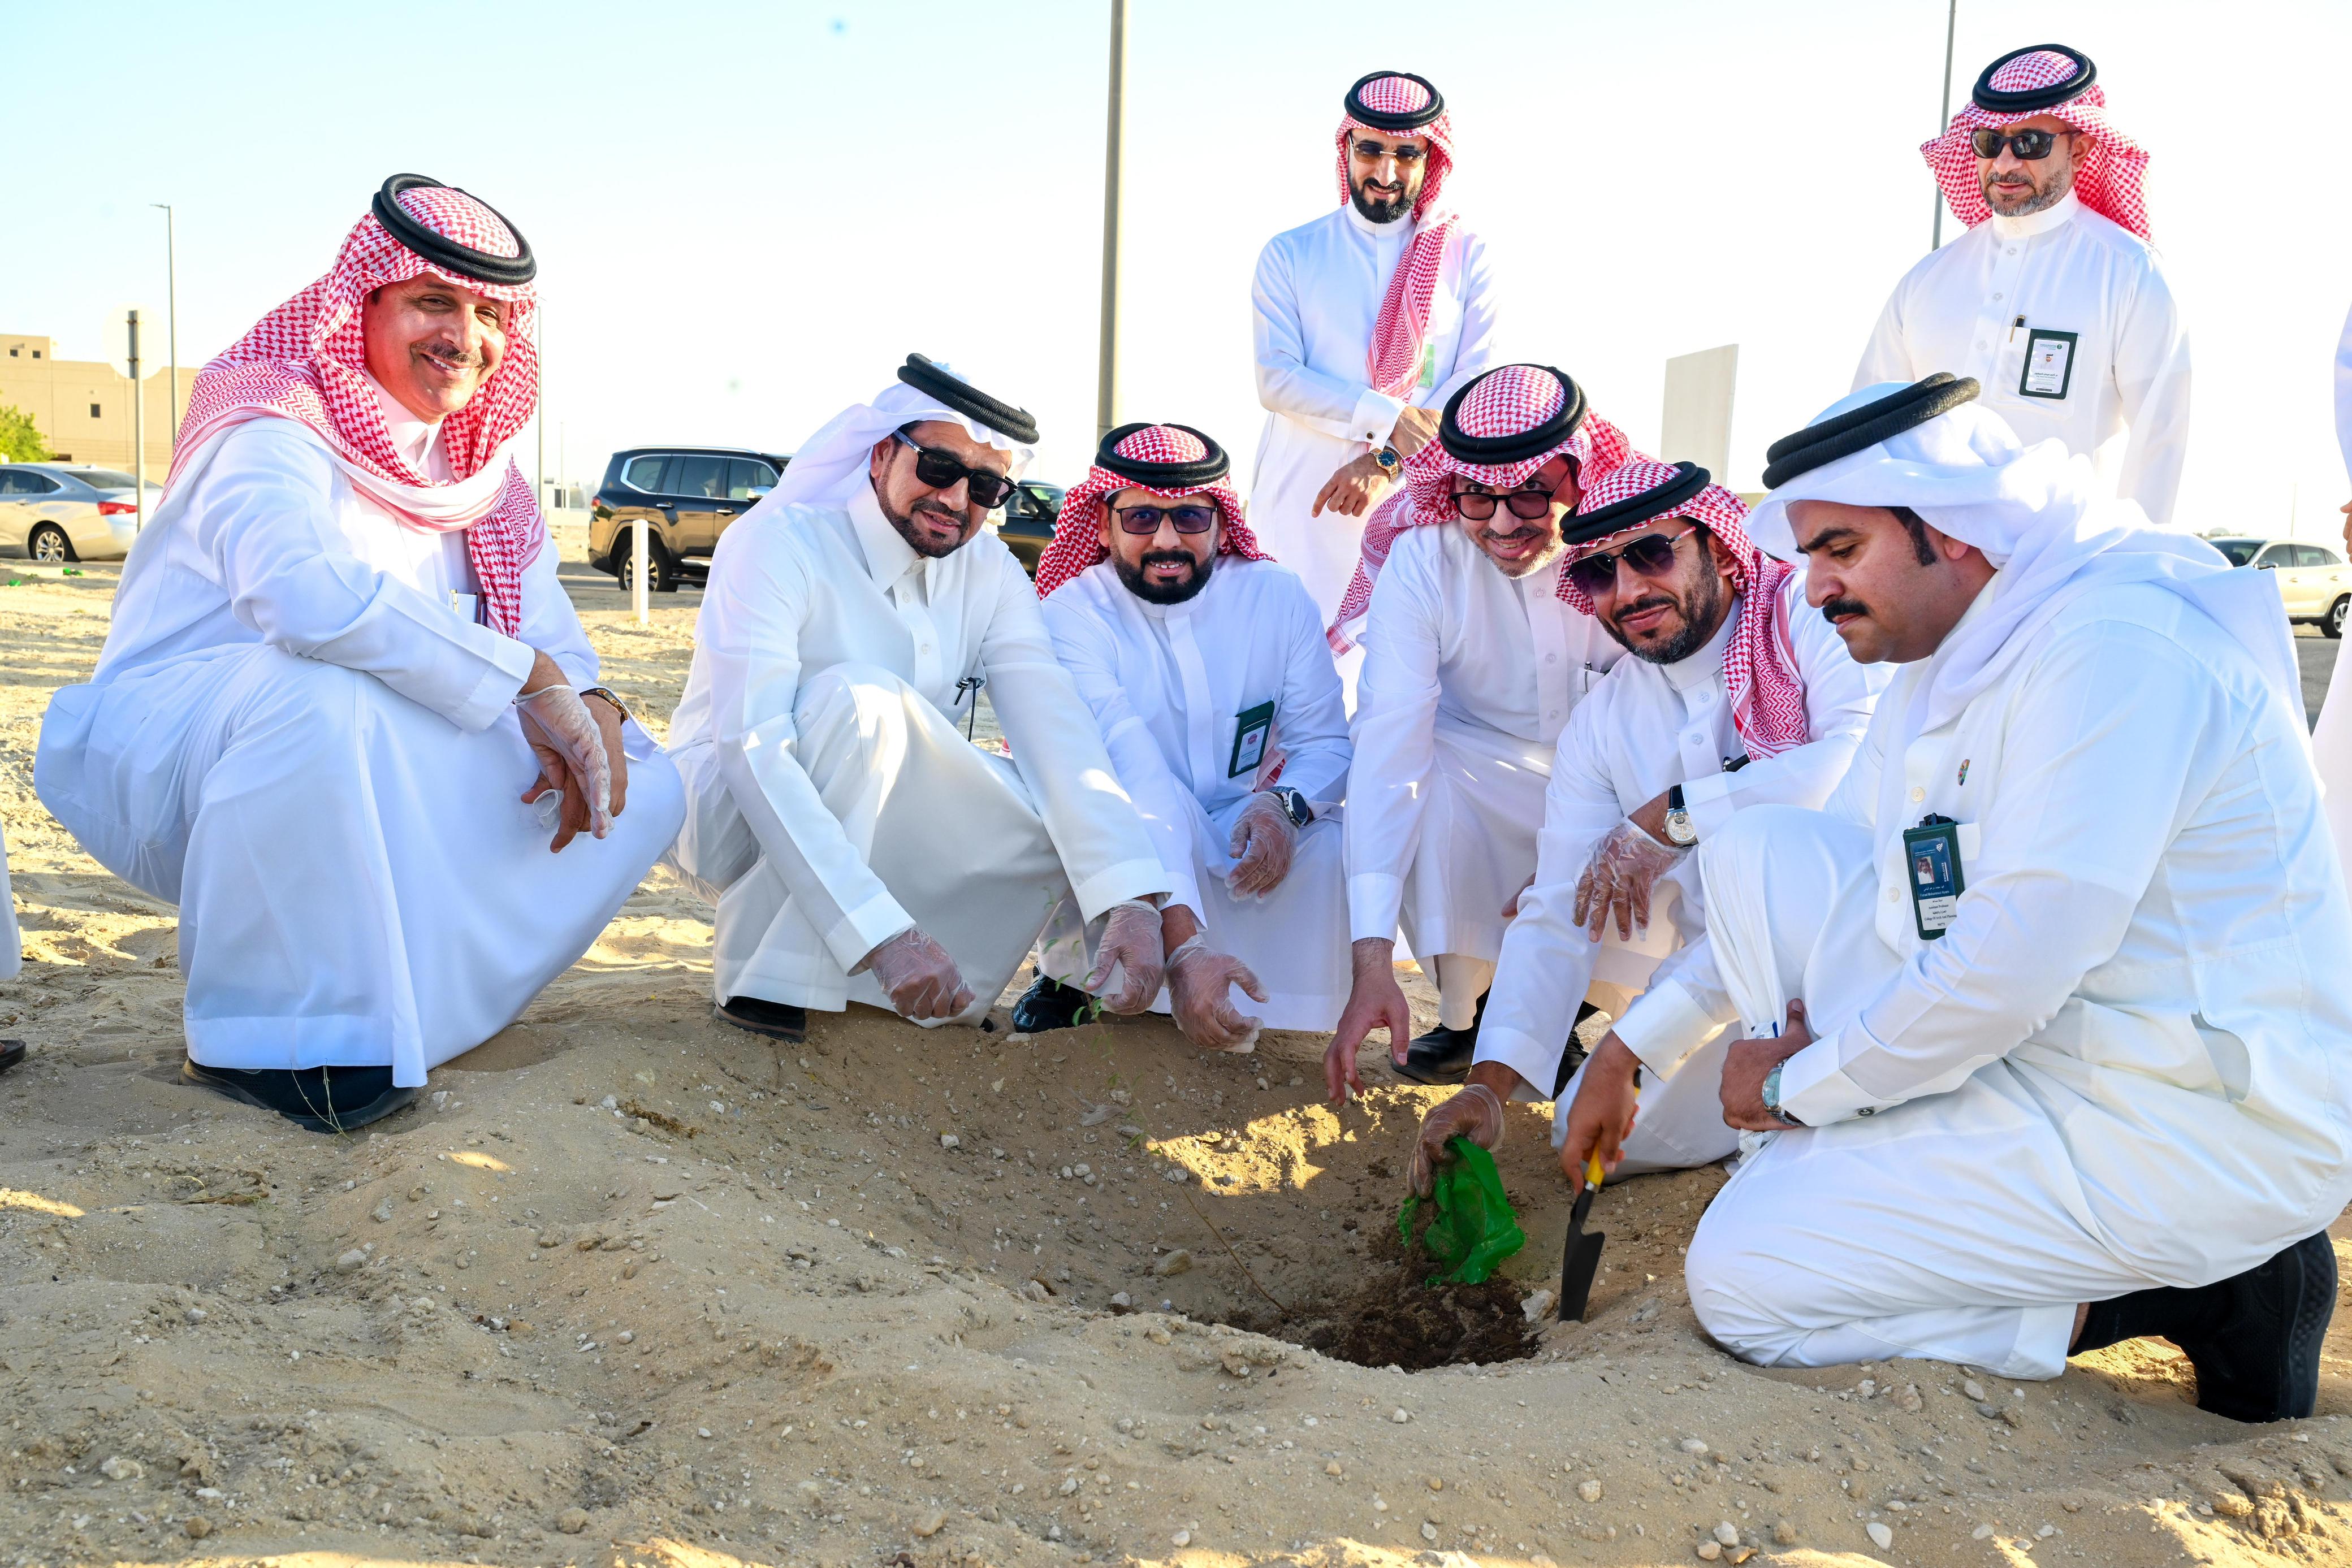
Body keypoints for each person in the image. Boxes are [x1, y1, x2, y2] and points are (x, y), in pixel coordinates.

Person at [1563, 375, 2350, 1419]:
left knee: (1743, 1285)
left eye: (1842, 549)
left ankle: (2220, 1290)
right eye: (1808, 555)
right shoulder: (1950, 663)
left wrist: (1797, 1084)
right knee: (1755, 847)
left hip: (2181, 1118)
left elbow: (2007, 966)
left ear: (1955, 529)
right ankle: (1824, 1169)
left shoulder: (2115, 651)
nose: (1812, 587)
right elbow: (1852, 876)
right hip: (2039, 1057)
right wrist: (1629, 1048)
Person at [33, 175, 682, 1132]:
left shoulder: (482, 481)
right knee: (320, 689)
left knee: (646, 776)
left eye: (489, 314)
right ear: (363, 301)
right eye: (433, 301)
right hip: (183, 750)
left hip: (359, 743)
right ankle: (271, 1036)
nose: (464, 334)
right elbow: (301, 597)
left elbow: (553, 641)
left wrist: (593, 705)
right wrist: (531, 680)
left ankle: (428, 1003)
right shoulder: (271, 421)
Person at [1404, 460, 1883, 1195]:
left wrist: (1670, 815)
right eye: (1599, 572)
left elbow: (1856, 764)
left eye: (1651, 554)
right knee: (1588, 1129)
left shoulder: (1809, 617)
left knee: (1759, 850)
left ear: (1719, 547)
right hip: (1721, 984)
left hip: (1866, 947)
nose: (1627, 591)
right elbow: (1559, 904)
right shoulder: (1605, 721)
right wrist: (1488, 1087)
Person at [666, 356, 1173, 1043]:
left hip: (874, 799)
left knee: (1046, 808)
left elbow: (1054, 724)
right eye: (938, 467)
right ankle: (773, 978)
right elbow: (751, 745)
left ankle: (933, 989)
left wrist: (1129, 896)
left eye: (985, 485)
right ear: (881, 454)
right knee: (861, 704)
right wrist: (880, 933)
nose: (956, 499)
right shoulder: (779, 542)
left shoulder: (991, 571)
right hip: (731, 810)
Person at [1321, 363, 1642, 1098]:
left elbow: (1687, 721)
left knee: (1676, 819)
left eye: (1530, 493)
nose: (1501, 524)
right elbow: (1389, 749)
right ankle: (1478, 1016)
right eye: (1477, 496)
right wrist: (1372, 960)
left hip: (1622, 787)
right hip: (1479, 766)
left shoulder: (1637, 552)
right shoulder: (1423, 560)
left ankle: (1566, 1016)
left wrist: (1607, 834)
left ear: (1577, 475)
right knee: (1418, 781)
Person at [1022, 423, 1352, 1047]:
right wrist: (1184, 941)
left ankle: (1279, 1001)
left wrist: (1283, 806)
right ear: (1102, 526)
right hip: (1121, 823)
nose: (1167, 540)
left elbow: (1326, 744)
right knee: (1080, 805)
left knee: (1336, 839)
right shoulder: (1071, 612)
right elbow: (1131, 764)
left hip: (1234, 827)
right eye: (1142, 517)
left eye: (1191, 518)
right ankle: (1072, 976)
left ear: (1222, 524)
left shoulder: (1276, 596)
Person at [1856, 45, 2189, 525]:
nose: (2005, 163)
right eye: (1990, 142)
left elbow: (2163, 440)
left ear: (2080, 149)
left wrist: (2131, 561)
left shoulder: (2130, 273)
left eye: (2030, 143)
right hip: (1931, 563)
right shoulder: (1926, 282)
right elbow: (1868, 427)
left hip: (2063, 560)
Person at [1249, 70, 1503, 634]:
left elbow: (1474, 381)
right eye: (1370, 151)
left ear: (1429, 160)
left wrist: (1387, 459)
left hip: (1422, 498)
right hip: (1305, 504)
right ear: (1347, 149)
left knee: (1407, 660)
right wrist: (1388, 420)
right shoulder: (1292, 252)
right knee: (1290, 654)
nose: (1386, 174)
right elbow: (1278, 379)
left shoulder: (1466, 256)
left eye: (1406, 155)